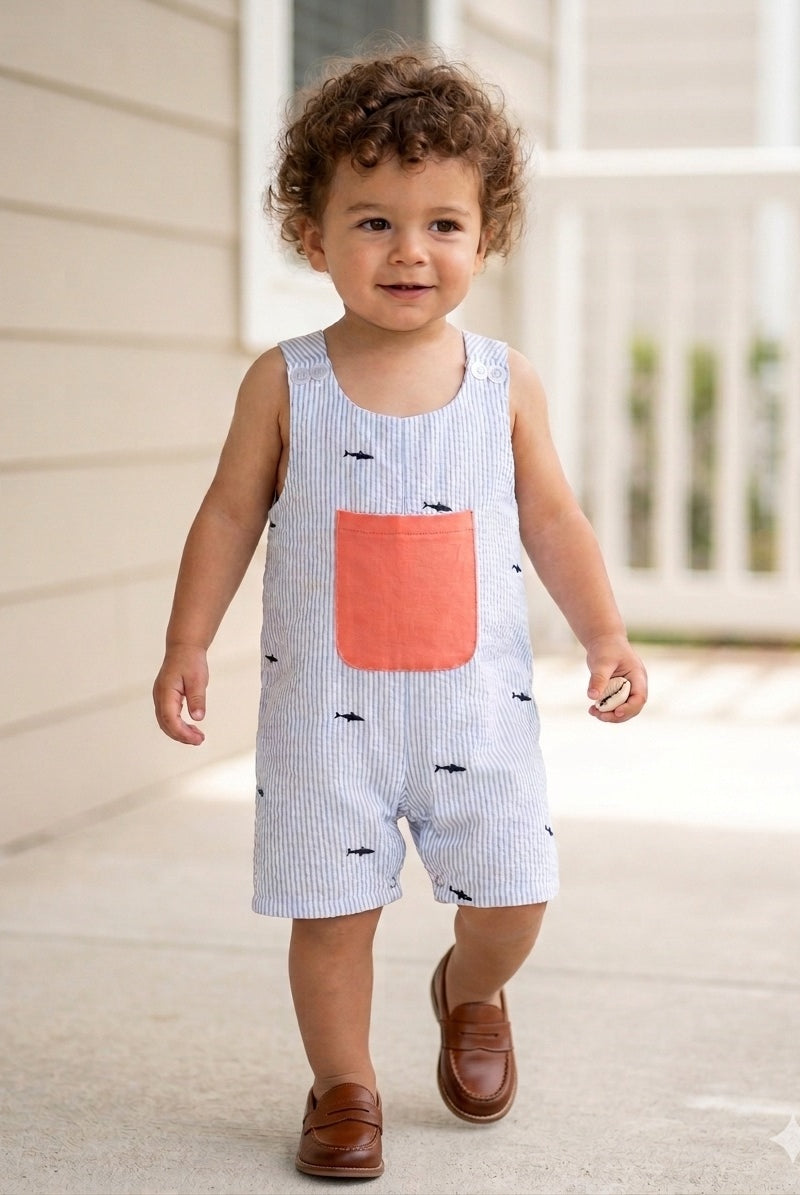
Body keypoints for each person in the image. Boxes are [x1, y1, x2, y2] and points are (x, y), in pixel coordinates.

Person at [152, 47, 647, 1180]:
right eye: (371, 221)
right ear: (312, 236)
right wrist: (187, 641)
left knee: (514, 895)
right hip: (330, 720)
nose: (409, 250)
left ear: (486, 236)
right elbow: (228, 515)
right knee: (330, 916)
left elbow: (554, 519)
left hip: (477, 712)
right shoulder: (288, 382)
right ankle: (344, 1086)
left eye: (442, 224)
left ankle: (467, 991)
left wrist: (606, 632)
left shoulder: (499, 381)